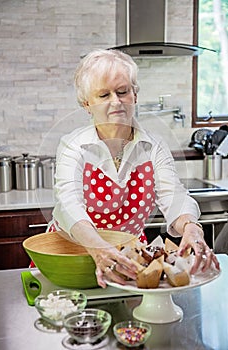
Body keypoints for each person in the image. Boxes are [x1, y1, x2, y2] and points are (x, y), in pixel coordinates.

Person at [49, 48, 220, 288]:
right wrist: (99, 248)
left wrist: (192, 228)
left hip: (131, 260)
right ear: (87, 104)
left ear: (135, 96)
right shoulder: (73, 146)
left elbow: (175, 197)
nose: (116, 102)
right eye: (104, 95)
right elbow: (69, 205)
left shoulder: (153, 147)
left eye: (122, 92)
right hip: (74, 254)